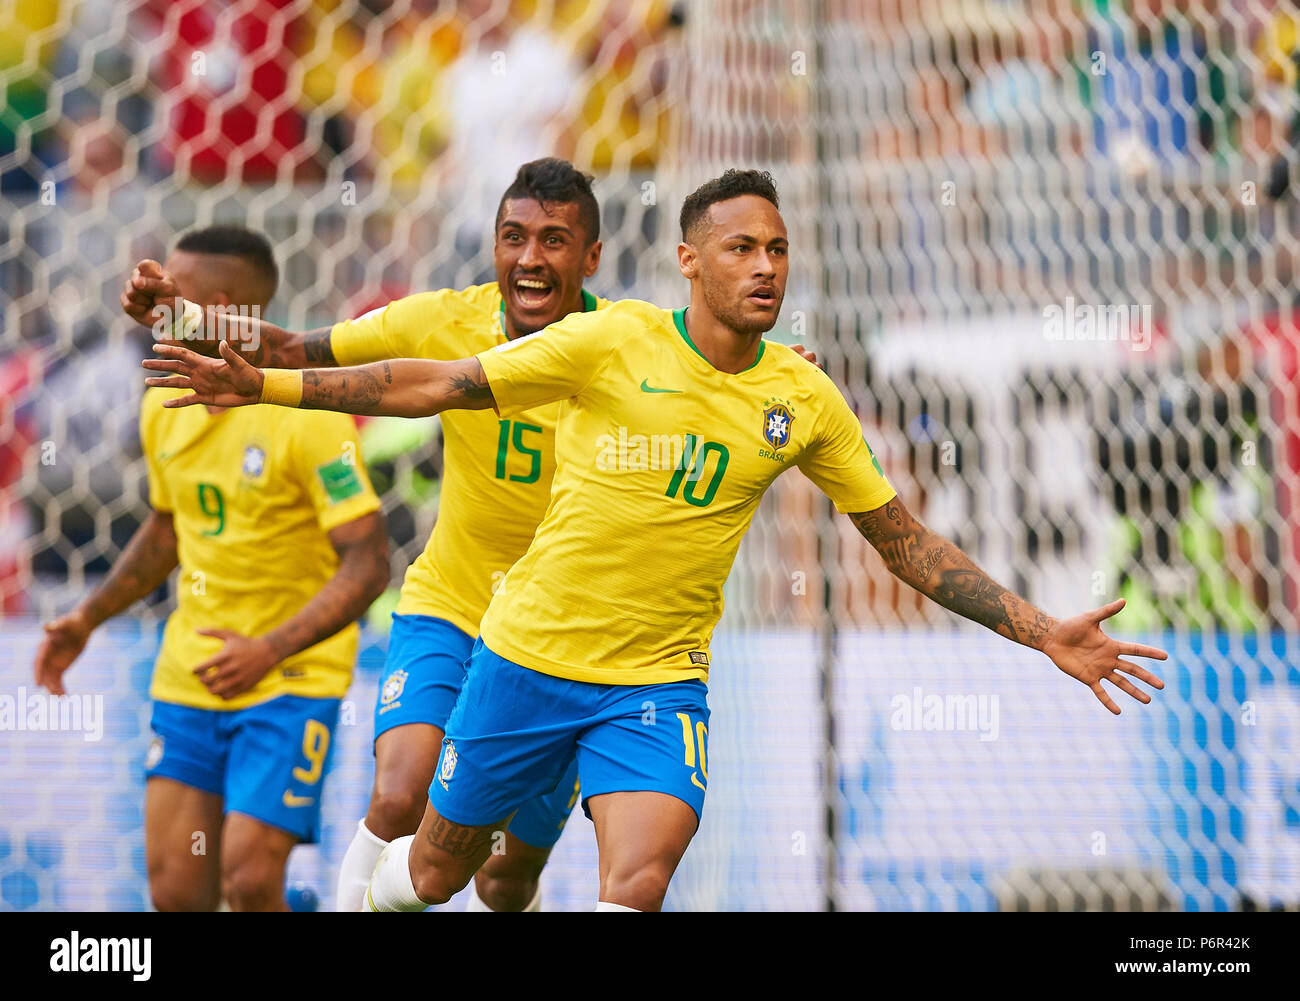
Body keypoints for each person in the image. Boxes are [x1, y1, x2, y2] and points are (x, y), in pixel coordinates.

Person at [142, 169, 1169, 912]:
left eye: (776, 250)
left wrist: (1041, 631)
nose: (765, 266)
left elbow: (901, 540)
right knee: (435, 864)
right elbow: (422, 379)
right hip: (514, 642)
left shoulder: (800, 398)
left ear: (590, 255)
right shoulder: (601, 341)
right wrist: (230, 354)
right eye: (741, 248)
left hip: (654, 683)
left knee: (633, 878)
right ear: (687, 261)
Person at [122, 160, 606, 912]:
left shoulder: (625, 347)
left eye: (554, 240)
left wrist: (773, 376)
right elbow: (286, 348)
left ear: (592, 257)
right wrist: (177, 319)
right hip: (450, 603)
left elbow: (710, 372)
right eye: (514, 237)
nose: (531, 258)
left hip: (563, 632)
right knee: (398, 793)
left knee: (504, 877)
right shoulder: (442, 318)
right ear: (494, 246)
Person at [36, 225, 389, 911]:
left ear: (222, 310)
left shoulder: (306, 412)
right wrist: (88, 616)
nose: (157, 308)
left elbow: (369, 562)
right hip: (191, 675)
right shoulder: (161, 406)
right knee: (176, 890)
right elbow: (170, 529)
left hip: (290, 677)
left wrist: (269, 648)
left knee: (250, 880)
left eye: (176, 293)